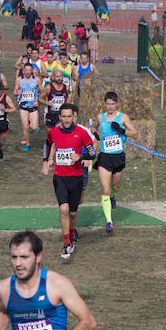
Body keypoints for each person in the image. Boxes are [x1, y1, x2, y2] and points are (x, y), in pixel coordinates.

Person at [41, 104, 96, 260]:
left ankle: (71, 234)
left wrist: (81, 157)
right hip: (59, 177)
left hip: (76, 177)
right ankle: (66, 243)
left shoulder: (81, 133)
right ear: (60, 117)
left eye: (69, 116)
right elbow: (48, 144)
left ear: (74, 117)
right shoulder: (54, 132)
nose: (66, 119)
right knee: (63, 210)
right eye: (63, 116)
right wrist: (46, 161)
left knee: (72, 212)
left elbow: (92, 153)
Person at [92, 91, 138, 234]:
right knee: (105, 189)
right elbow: (93, 127)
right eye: (108, 104)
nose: (110, 107)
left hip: (118, 157)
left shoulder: (123, 117)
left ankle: (112, 196)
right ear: (104, 103)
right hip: (104, 157)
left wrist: (121, 130)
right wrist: (94, 133)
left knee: (115, 187)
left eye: (113, 104)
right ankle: (109, 222)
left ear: (116, 104)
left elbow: (135, 133)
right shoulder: (100, 117)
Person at [14, 63, 40, 151]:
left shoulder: (36, 80)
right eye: (26, 70)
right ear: (23, 71)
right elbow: (15, 91)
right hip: (23, 106)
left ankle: (33, 126)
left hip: (33, 106)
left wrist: (38, 101)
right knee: (25, 126)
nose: (28, 72)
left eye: (29, 70)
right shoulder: (19, 80)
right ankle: (28, 144)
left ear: (32, 71)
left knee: (34, 127)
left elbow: (43, 91)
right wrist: (17, 92)